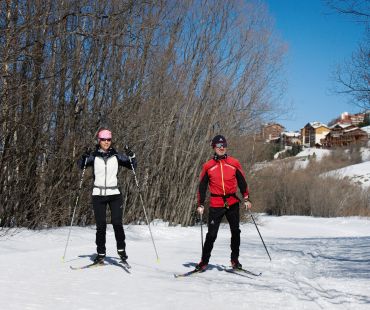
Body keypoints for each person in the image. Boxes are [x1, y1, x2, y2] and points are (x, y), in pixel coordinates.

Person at [78, 128, 137, 264]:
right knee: (101, 226)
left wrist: (132, 156)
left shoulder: (117, 156)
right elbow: (81, 165)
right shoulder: (93, 156)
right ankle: (100, 254)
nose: (106, 142)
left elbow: (133, 165)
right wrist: (84, 156)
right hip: (98, 195)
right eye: (103, 139)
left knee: (117, 223)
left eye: (108, 139)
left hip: (114, 194)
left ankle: (121, 251)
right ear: (99, 140)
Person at [195, 134, 252, 271]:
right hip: (216, 203)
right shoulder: (208, 166)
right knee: (212, 234)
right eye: (219, 146)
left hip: (232, 201)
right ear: (214, 147)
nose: (222, 148)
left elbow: (242, 181)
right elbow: (202, 187)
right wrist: (201, 203)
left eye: (224, 145)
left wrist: (246, 198)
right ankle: (204, 262)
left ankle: (235, 260)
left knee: (236, 231)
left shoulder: (234, 163)